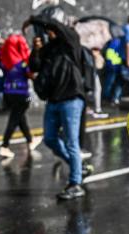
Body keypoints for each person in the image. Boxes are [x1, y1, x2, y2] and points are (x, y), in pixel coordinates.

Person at [25, 15, 86, 200]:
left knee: (71, 142)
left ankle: (76, 183)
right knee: (50, 139)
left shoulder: (71, 42)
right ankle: (78, 167)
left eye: (51, 29)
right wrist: (35, 51)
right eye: (47, 30)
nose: (49, 32)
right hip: (53, 101)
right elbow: (34, 66)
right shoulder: (48, 49)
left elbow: (55, 24)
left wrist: (32, 20)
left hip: (71, 99)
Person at [0, 33, 36, 159]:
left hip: (8, 94)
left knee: (20, 117)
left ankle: (30, 140)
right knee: (14, 120)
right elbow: (31, 74)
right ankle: (4, 145)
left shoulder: (5, 62)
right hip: (22, 95)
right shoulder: (22, 63)